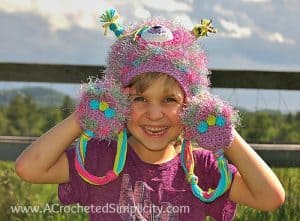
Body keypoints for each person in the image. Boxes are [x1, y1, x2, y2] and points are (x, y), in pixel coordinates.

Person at [15, 9, 285, 221]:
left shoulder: (201, 169)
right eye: (139, 99)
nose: (154, 114)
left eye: (169, 100)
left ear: (193, 106)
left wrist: (222, 130)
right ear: (117, 100)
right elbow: (29, 167)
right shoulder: (100, 158)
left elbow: (270, 197)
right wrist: (85, 114)